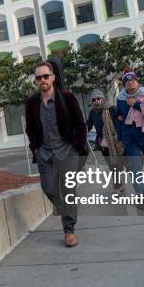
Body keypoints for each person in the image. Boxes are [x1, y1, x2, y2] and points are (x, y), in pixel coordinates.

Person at [25, 61, 88, 248]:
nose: (42, 80)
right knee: (49, 189)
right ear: (35, 81)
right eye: (38, 77)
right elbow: (30, 129)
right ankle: (64, 211)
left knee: (68, 191)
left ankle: (69, 231)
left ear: (52, 77)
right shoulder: (31, 103)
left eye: (46, 76)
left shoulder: (67, 97)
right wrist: (35, 149)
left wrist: (77, 146)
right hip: (45, 153)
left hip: (67, 151)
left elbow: (80, 124)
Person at [115, 70, 144, 195]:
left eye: (132, 80)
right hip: (129, 136)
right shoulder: (120, 98)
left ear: (137, 82)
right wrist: (120, 138)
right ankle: (140, 192)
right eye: (127, 81)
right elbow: (119, 118)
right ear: (123, 84)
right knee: (134, 165)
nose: (130, 82)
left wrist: (135, 104)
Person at [86, 89, 125, 192]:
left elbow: (121, 122)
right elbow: (89, 124)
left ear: (103, 98)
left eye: (98, 98)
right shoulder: (92, 113)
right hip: (103, 143)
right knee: (112, 166)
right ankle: (118, 187)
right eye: (94, 99)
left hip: (116, 141)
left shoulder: (112, 109)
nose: (96, 101)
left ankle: (121, 183)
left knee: (119, 164)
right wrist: (84, 128)